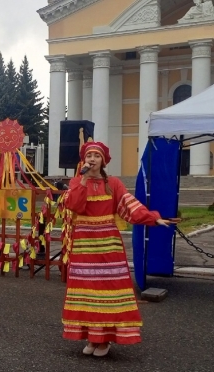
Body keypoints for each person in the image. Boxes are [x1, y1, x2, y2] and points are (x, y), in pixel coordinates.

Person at [63, 142, 176, 357]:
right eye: (89, 156)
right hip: (84, 245)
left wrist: (153, 218)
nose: (93, 159)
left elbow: (130, 206)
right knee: (87, 292)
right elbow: (74, 205)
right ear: (84, 160)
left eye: (97, 156)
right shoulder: (77, 181)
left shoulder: (113, 184)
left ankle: (104, 340)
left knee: (108, 292)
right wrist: (84, 180)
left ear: (103, 160)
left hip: (108, 245)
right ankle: (91, 337)